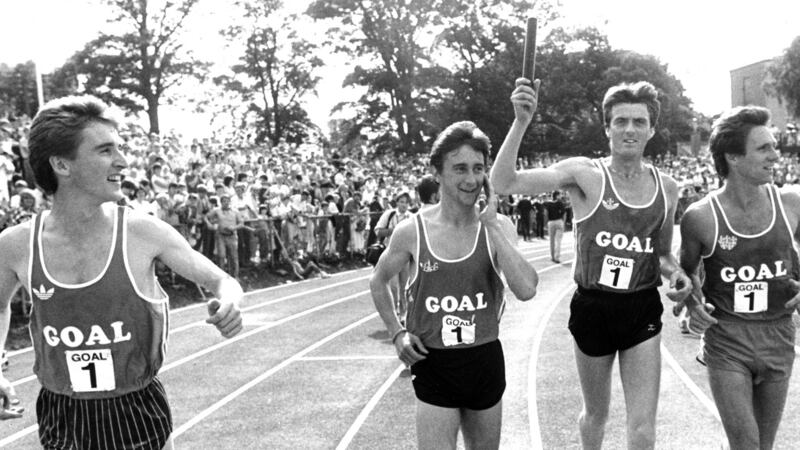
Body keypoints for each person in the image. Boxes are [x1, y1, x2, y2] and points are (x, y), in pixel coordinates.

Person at [0, 95, 243, 448]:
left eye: (120, 148)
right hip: (62, 412)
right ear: (62, 165)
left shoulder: (144, 232)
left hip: (135, 410)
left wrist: (230, 302)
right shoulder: (16, 245)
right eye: (105, 150)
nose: (124, 161)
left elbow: (221, 280)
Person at [491, 79, 691, 449]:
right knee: (595, 414)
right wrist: (520, 122)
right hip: (593, 307)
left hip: (640, 307)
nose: (629, 129)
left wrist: (677, 274)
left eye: (638, 122)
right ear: (607, 127)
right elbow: (503, 182)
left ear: (651, 130)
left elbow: (660, 253)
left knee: (643, 426)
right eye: (620, 121)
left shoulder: (667, 188)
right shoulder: (585, 174)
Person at [370, 121, 538, 449]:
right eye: (459, 169)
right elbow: (378, 280)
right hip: (434, 363)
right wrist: (396, 332)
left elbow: (527, 289)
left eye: (478, 169)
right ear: (438, 173)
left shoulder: (499, 226)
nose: (471, 179)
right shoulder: (411, 231)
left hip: (484, 361)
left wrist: (490, 224)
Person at [678, 106, 800, 449]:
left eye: (774, 146)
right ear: (732, 156)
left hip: (778, 334)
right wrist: (691, 301)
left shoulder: (791, 204)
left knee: (763, 445)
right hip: (728, 338)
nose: (776, 155)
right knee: (746, 444)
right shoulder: (701, 217)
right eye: (764, 148)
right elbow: (685, 273)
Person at [544, 190, 566, 262]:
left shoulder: (548, 203)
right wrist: (564, 222)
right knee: (558, 241)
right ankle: (557, 257)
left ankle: (552, 256)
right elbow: (564, 213)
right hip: (559, 221)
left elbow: (546, 213)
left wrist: (546, 223)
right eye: (559, 195)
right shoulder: (560, 203)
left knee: (551, 241)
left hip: (551, 222)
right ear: (556, 196)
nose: (560, 196)